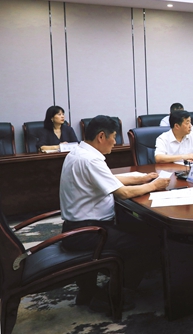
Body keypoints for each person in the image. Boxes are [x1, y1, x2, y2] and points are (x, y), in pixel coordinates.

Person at [59, 115, 170, 310]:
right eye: (114, 136)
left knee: (140, 228)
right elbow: (123, 193)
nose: (116, 142)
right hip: (88, 232)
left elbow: (108, 178)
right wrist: (155, 185)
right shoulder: (91, 160)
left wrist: (142, 179)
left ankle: (90, 289)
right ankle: (112, 296)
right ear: (101, 136)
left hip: (73, 227)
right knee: (146, 244)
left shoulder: (78, 152)